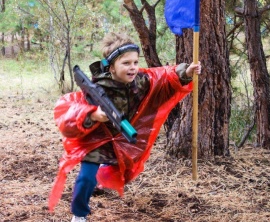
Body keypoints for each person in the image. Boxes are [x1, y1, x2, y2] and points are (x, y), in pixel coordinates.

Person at [48, 32, 201, 222]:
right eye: (126, 63)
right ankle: (79, 214)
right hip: (96, 140)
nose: (133, 68)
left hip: (122, 141)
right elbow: (71, 114)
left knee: (123, 174)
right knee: (86, 178)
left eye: (135, 62)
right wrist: (93, 115)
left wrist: (186, 72)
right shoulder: (97, 88)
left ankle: (103, 172)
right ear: (111, 67)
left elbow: (164, 77)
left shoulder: (142, 81)